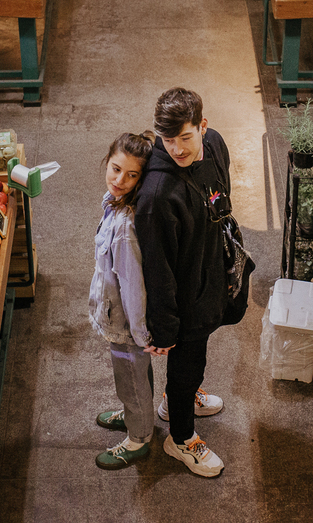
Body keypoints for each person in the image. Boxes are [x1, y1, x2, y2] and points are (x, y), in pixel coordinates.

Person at [134, 88, 230, 478]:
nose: (176, 149)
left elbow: (220, 195)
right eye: (167, 140)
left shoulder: (216, 145)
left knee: (197, 355)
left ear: (202, 127)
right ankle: (181, 436)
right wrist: (165, 325)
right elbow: (157, 271)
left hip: (209, 273)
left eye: (185, 138)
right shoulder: (157, 195)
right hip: (184, 293)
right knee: (187, 358)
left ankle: (179, 400)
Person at [89, 132, 159, 470]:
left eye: (132, 175)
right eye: (116, 169)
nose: (120, 180)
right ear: (107, 160)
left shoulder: (126, 226)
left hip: (126, 324)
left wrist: (140, 334)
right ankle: (137, 414)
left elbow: (133, 286)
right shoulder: (112, 201)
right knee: (136, 376)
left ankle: (139, 436)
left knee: (129, 379)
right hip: (117, 314)